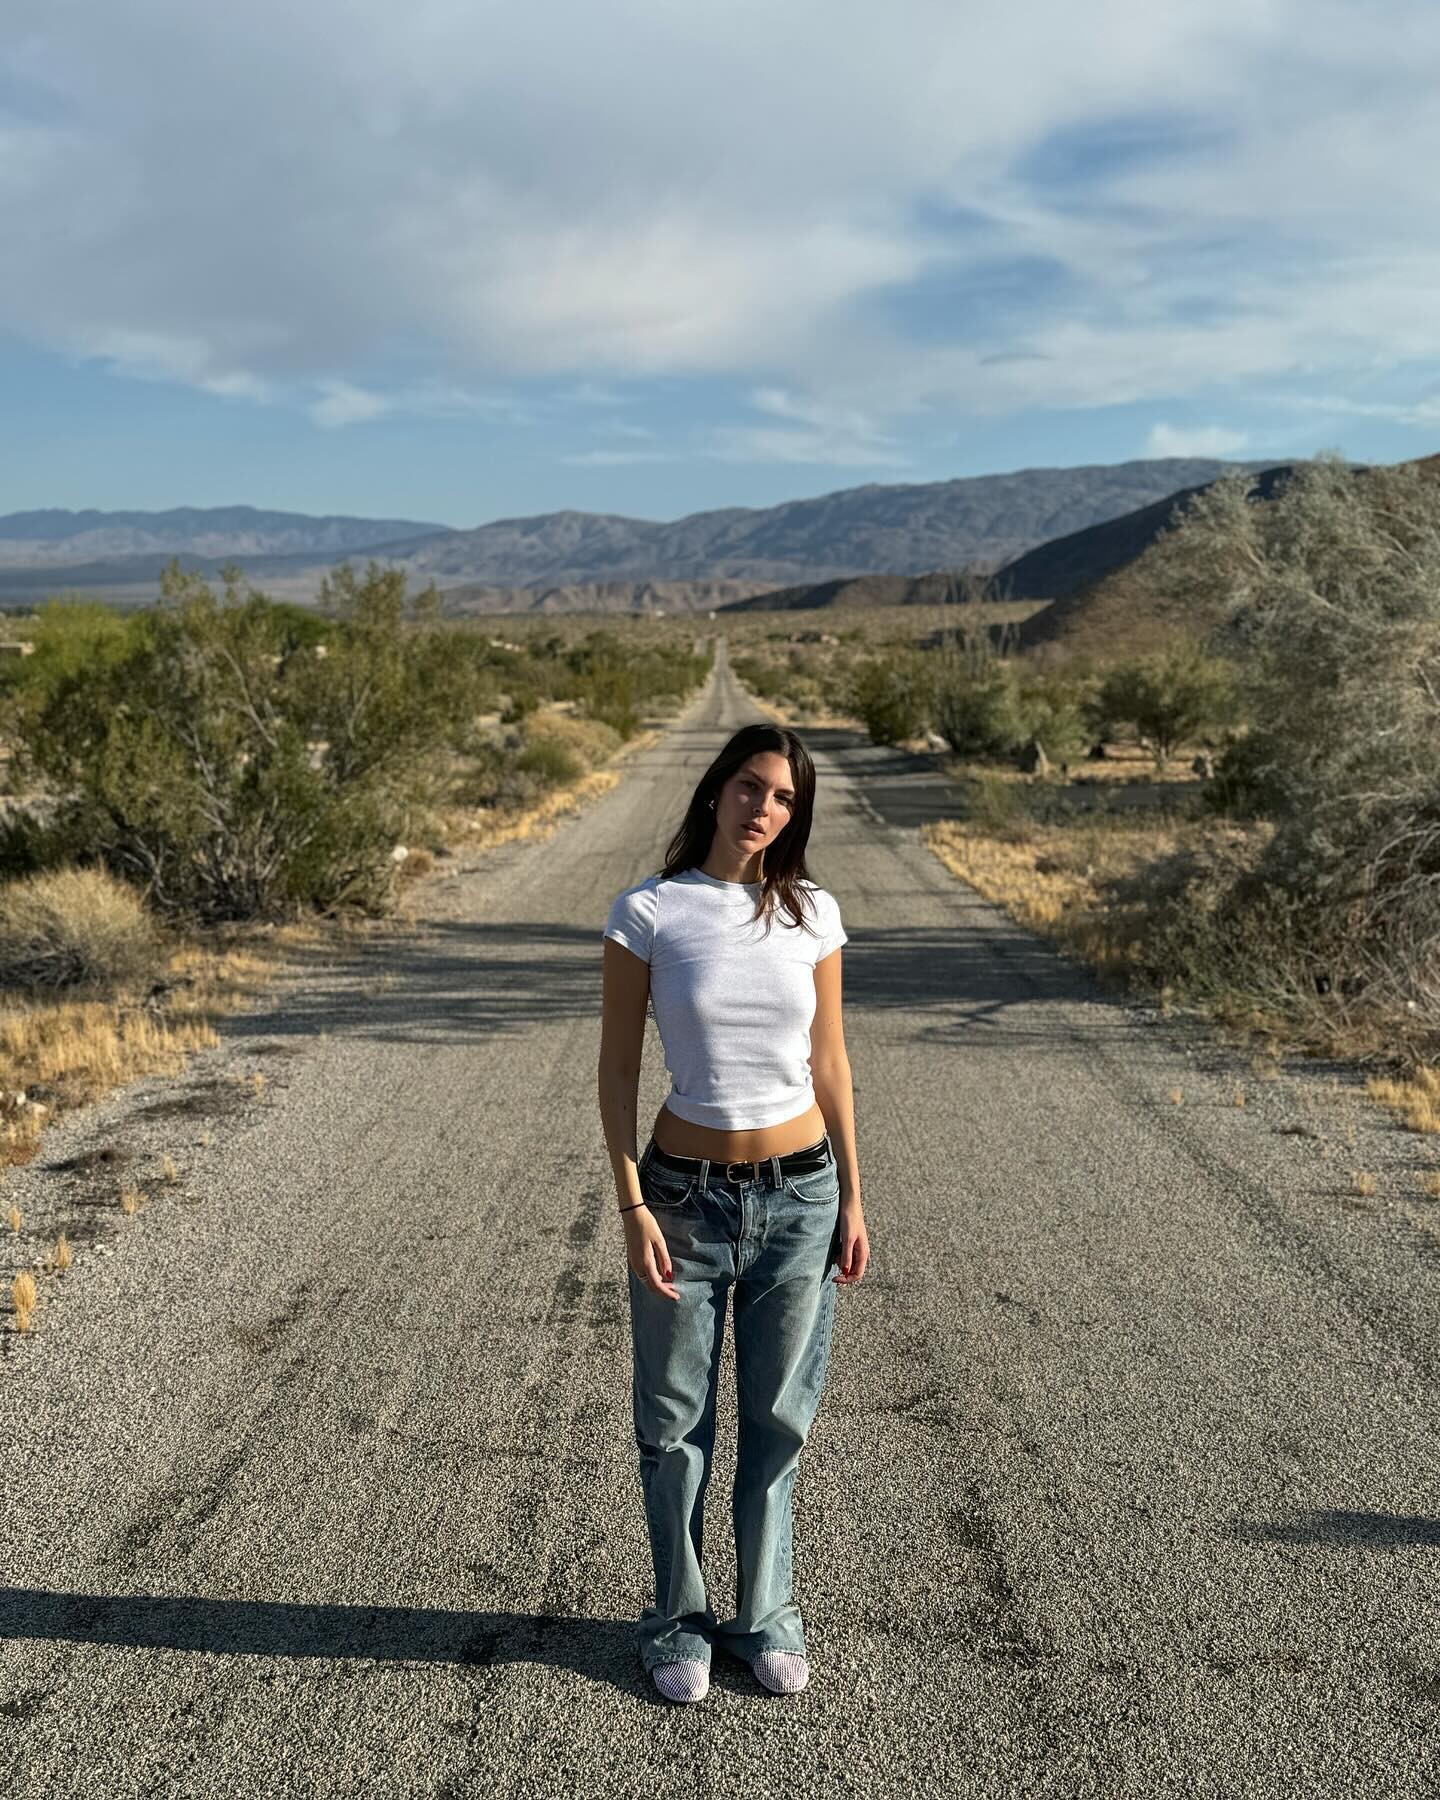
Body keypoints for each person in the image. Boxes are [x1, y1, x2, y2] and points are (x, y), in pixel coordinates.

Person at [597, 721, 870, 1705]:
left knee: (778, 1420)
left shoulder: (812, 914)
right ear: (716, 790)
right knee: (674, 1425)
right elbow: (617, 1071)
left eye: (786, 797)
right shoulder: (650, 912)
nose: (765, 808)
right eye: (752, 786)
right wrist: (631, 1202)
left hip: (801, 1196)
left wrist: (853, 1194)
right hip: (682, 1199)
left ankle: (766, 1618)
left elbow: (830, 1062)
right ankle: (678, 1621)